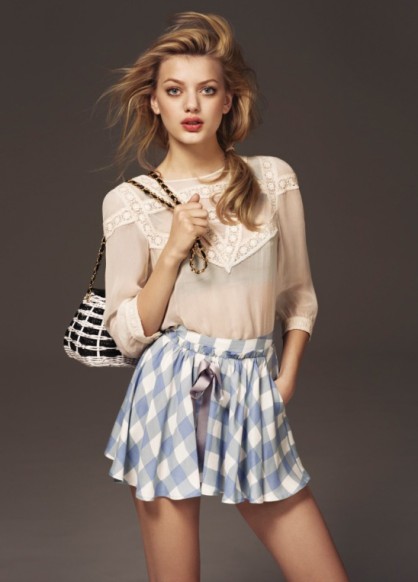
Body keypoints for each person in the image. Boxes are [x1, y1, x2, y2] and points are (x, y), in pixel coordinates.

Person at [99, 10, 349, 582]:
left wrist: (284, 381)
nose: (191, 105)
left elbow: (299, 297)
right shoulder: (130, 201)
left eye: (207, 90)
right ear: (153, 102)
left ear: (228, 101)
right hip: (168, 388)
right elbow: (130, 335)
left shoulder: (272, 179)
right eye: (174, 91)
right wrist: (172, 251)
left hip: (253, 385)